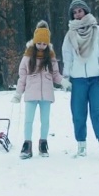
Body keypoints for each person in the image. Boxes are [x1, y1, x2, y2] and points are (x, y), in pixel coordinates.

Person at [61, 0, 99, 158]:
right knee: (78, 112)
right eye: (74, 12)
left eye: (80, 11)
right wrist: (66, 77)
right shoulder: (70, 35)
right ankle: (81, 144)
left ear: (85, 11)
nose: (77, 14)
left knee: (98, 110)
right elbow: (67, 56)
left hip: (97, 78)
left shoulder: (98, 31)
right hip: (78, 80)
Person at [11, 21, 68, 159]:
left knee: (45, 121)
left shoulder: (51, 57)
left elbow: (55, 75)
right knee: (28, 120)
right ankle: (27, 145)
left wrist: (64, 82)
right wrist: (18, 94)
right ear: (35, 42)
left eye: (44, 43)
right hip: (31, 94)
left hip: (46, 95)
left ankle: (43, 144)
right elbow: (22, 78)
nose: (41, 46)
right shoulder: (27, 57)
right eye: (39, 43)